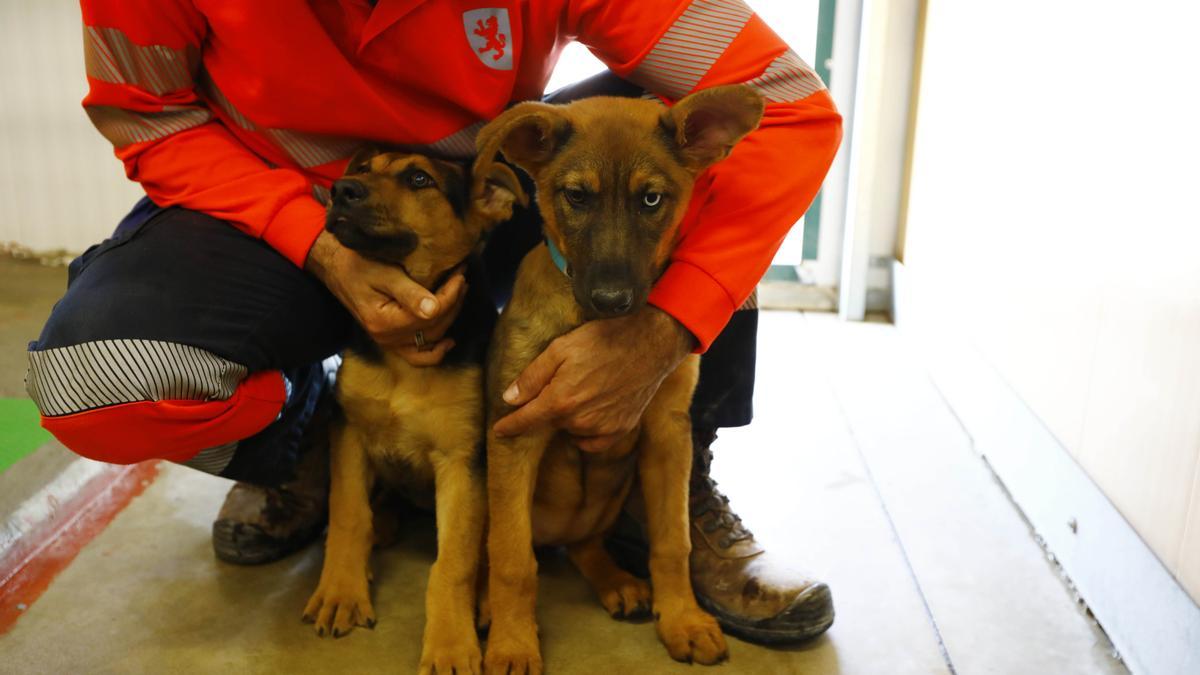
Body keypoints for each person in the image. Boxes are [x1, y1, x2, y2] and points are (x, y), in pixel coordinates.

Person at [25, 0, 841, 644]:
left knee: (653, 138)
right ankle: (311, 443)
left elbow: (788, 106)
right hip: (276, 199)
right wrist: (315, 246)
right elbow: (147, 112)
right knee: (99, 382)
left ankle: (665, 482)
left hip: (487, 175)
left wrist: (664, 327)